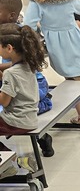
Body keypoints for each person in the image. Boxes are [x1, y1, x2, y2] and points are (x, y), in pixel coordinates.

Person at [23, 0, 80, 125]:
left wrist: (42, 29)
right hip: (74, 38)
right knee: (77, 76)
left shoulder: (37, 1)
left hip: (56, 43)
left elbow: (29, 24)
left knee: (70, 77)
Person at [0, 0, 54, 157]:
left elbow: (6, 99)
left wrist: (4, 72)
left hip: (35, 88)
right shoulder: (24, 36)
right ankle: (43, 138)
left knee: (18, 106)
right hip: (24, 89)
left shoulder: (14, 35)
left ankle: (9, 161)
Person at [0, 25, 46, 153]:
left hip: (15, 121)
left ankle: (8, 159)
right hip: (30, 117)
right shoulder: (29, 64)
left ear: (9, 48)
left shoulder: (11, 73)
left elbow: (4, 102)